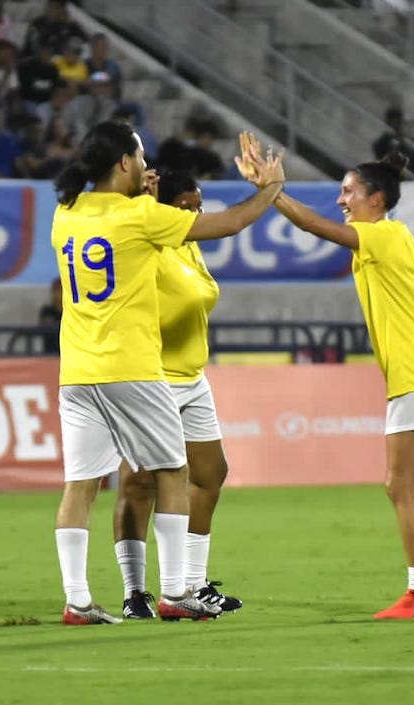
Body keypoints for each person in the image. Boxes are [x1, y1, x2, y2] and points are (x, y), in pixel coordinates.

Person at [51, 120, 284, 625]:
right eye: (139, 156)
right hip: (132, 367)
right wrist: (271, 188)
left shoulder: (66, 212)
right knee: (173, 474)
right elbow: (230, 223)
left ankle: (77, 600)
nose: (145, 164)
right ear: (123, 163)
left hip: (76, 368)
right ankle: (177, 592)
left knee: (81, 485)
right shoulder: (139, 216)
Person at [236, 131, 414, 620]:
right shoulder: (391, 240)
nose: (341, 200)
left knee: (399, 486)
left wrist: (272, 190)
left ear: (376, 199)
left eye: (348, 192)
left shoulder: (382, 234)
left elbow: (315, 227)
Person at [109, 171, 242, 620]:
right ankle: (134, 592)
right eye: (183, 207)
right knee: (139, 482)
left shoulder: (189, 243)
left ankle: (194, 583)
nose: (193, 215)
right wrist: (140, 200)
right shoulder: (143, 242)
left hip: (191, 375)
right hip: (151, 376)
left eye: (197, 207)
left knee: (210, 473)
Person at [371, 106, 414, 178]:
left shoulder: (404, 142)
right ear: (388, 121)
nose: (395, 124)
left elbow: (412, 157)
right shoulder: (381, 143)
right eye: (393, 120)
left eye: (398, 121)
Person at [37, 277, 63, 353]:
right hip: (50, 353)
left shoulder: (72, 312)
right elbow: (44, 328)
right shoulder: (47, 311)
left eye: (60, 290)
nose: (58, 294)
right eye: (55, 291)